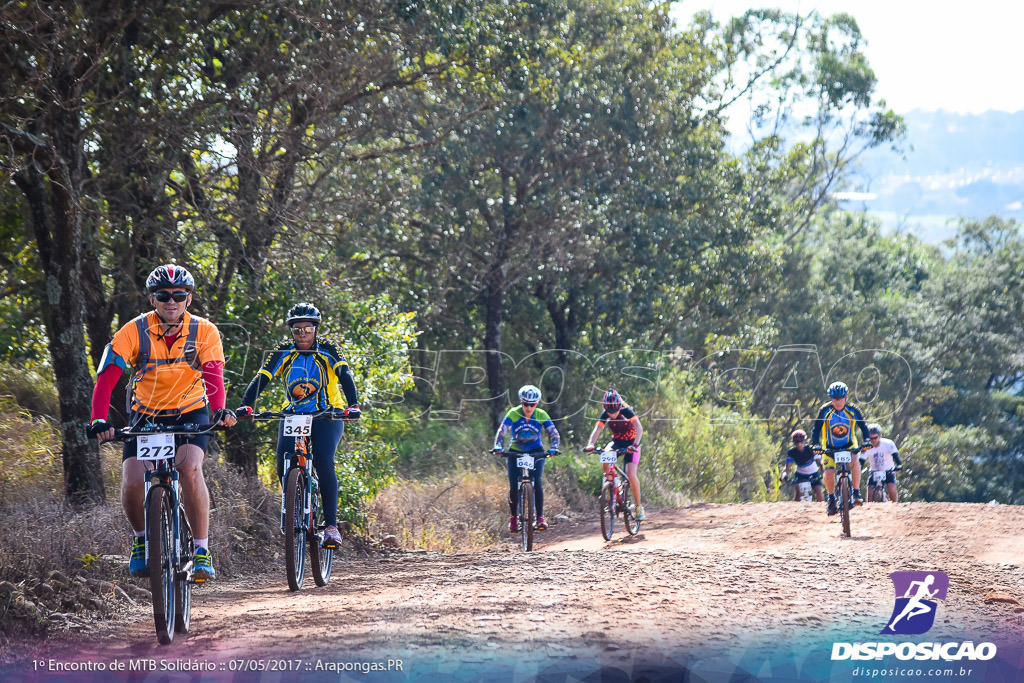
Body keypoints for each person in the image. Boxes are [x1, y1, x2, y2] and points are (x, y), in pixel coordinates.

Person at [87, 264, 236, 580]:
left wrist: (220, 410)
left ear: (189, 299)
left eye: (178, 295)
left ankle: (201, 550)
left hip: (190, 411)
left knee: (190, 469)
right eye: (163, 295)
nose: (171, 301)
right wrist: (99, 418)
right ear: (152, 298)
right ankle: (142, 539)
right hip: (146, 413)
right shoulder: (133, 331)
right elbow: (106, 379)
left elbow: (214, 377)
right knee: (131, 481)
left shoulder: (204, 331)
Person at [235, 303, 360, 548]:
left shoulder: (328, 349)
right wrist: (246, 405)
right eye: (297, 330)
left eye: (307, 329)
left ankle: (331, 527)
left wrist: (353, 404)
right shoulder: (284, 350)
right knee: (283, 461)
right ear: (291, 331)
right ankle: (296, 501)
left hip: (327, 414)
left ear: (316, 329)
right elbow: (262, 377)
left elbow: (345, 376)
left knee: (324, 460)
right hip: (293, 415)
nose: (302, 334)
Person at [492, 384, 560, 532]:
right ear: (521, 402)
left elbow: (554, 433)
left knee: (537, 482)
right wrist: (498, 446)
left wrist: (554, 448)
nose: (529, 408)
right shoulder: (514, 413)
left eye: (532, 404)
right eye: (525, 404)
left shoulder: (541, 414)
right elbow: (501, 431)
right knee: (513, 487)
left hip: (536, 451)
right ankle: (514, 518)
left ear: (537, 404)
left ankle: (540, 517)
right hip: (515, 451)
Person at [583, 389, 646, 520]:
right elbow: (597, 429)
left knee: (630, 473)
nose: (612, 414)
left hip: (631, 444)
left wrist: (634, 445)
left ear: (619, 406)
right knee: (605, 454)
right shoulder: (605, 413)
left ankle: (639, 507)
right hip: (617, 442)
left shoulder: (626, 411)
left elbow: (639, 428)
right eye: (609, 411)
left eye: (615, 411)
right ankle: (610, 485)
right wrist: (591, 444)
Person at [811, 381, 870, 516]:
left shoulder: (853, 410)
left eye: (840, 399)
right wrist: (816, 445)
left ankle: (856, 492)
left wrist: (866, 440)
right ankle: (831, 498)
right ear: (831, 398)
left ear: (846, 397)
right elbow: (816, 430)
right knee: (829, 472)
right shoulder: (825, 410)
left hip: (849, 444)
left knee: (855, 461)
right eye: (834, 399)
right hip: (829, 446)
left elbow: (864, 427)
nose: (837, 402)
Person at [860, 423, 902, 502]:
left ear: (880, 436)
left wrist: (899, 464)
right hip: (874, 471)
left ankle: (895, 506)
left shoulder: (888, 443)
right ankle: (869, 509)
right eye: (870, 438)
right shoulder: (866, 447)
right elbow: (861, 460)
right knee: (870, 491)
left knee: (891, 487)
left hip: (888, 470)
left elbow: (895, 455)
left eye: (875, 437)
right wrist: (858, 469)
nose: (873, 440)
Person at [782, 429, 824, 502]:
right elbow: (787, 467)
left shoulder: (812, 449)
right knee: (798, 494)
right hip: (800, 474)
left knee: (819, 493)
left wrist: (824, 471)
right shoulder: (791, 452)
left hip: (814, 473)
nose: (799, 444)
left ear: (805, 441)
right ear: (794, 443)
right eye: (796, 442)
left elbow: (820, 463)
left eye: (801, 442)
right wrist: (784, 475)